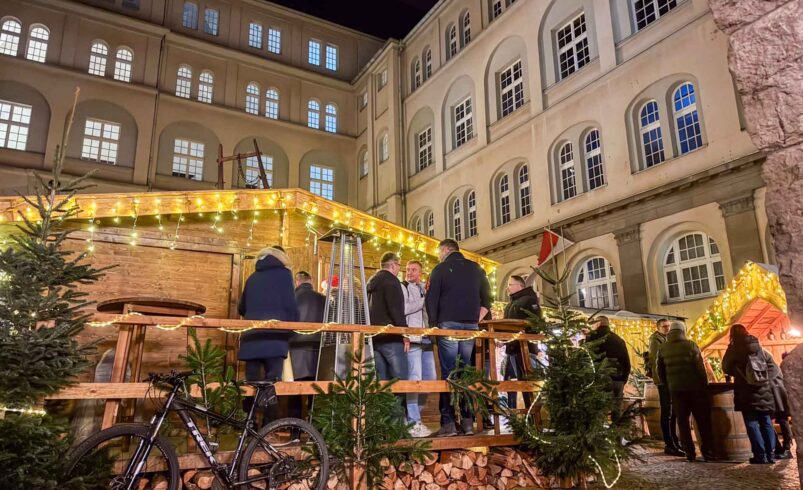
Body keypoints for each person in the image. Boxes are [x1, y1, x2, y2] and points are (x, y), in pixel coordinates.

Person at [425, 239, 491, 437]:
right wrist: (474, 319)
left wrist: (434, 327)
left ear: (445, 250)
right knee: (465, 373)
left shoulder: (440, 269)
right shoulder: (477, 269)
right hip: (470, 327)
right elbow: (487, 300)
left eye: (439, 252)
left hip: (448, 326)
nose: (439, 256)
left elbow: (431, 300)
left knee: (449, 374)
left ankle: (448, 423)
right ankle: (468, 422)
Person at [238, 246, 299, 422]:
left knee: (251, 385)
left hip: (251, 339)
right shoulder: (285, 276)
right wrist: (291, 332)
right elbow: (291, 306)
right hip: (275, 338)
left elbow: (241, 308)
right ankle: (267, 430)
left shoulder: (252, 278)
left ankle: (248, 427)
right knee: (272, 385)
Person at [656, 321, 715, 462]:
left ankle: (690, 453)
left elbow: (660, 371)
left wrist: (668, 385)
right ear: (683, 331)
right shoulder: (691, 345)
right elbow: (700, 369)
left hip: (676, 390)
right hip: (695, 389)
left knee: (683, 422)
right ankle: (708, 452)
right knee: (702, 421)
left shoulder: (663, 348)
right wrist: (704, 386)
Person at [722, 323, 778, 464]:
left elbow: (725, 367)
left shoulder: (734, 348)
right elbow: (773, 366)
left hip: (745, 391)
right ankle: (771, 455)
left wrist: (740, 374)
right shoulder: (758, 346)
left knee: (752, 423)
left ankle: (760, 455)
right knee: (766, 422)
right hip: (764, 390)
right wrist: (764, 380)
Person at [401, 260, 435, 438]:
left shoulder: (424, 288)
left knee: (430, 380)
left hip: (427, 339)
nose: (409, 272)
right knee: (414, 380)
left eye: (413, 270)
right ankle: (414, 422)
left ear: (421, 272)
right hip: (413, 339)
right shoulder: (403, 287)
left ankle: (410, 415)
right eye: (407, 270)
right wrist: (424, 300)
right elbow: (404, 308)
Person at [366, 252, 409, 386]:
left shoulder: (371, 282)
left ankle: (383, 408)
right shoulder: (391, 281)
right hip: (391, 337)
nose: (398, 270)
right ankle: (398, 408)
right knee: (399, 380)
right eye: (399, 266)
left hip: (374, 338)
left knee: (381, 382)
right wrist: (404, 334)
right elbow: (396, 309)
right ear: (393, 265)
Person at [288, 271, 325, 421]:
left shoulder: (291, 298)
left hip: (296, 350)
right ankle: (314, 429)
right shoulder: (324, 299)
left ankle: (294, 430)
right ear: (311, 282)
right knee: (316, 392)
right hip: (319, 351)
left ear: (297, 282)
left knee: (293, 392)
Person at [502, 275, 540, 410]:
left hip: (526, 348)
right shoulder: (511, 303)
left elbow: (535, 321)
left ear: (519, 286)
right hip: (512, 348)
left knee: (528, 382)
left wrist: (527, 333)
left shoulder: (529, 300)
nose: (508, 287)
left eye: (510, 284)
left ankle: (534, 414)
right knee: (515, 382)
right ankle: (519, 413)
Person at [648, 318, 683, 457]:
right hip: (664, 381)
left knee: (673, 412)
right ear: (658, 328)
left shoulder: (668, 339)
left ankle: (674, 441)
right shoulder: (656, 341)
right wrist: (662, 379)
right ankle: (669, 443)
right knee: (667, 412)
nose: (667, 328)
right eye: (664, 327)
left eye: (668, 326)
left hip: (671, 380)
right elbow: (657, 361)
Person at [585, 315, 631, 416]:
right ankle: (617, 429)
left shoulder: (590, 339)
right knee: (616, 409)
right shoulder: (618, 339)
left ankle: (600, 430)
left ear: (598, 323)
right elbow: (626, 361)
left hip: (598, 378)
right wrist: (624, 378)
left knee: (598, 410)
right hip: (617, 378)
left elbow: (586, 359)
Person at [770, 355, 793, 459]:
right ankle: (783, 448)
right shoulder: (776, 366)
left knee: (779, 419)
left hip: (776, 393)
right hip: (778, 392)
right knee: (781, 419)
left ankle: (785, 448)